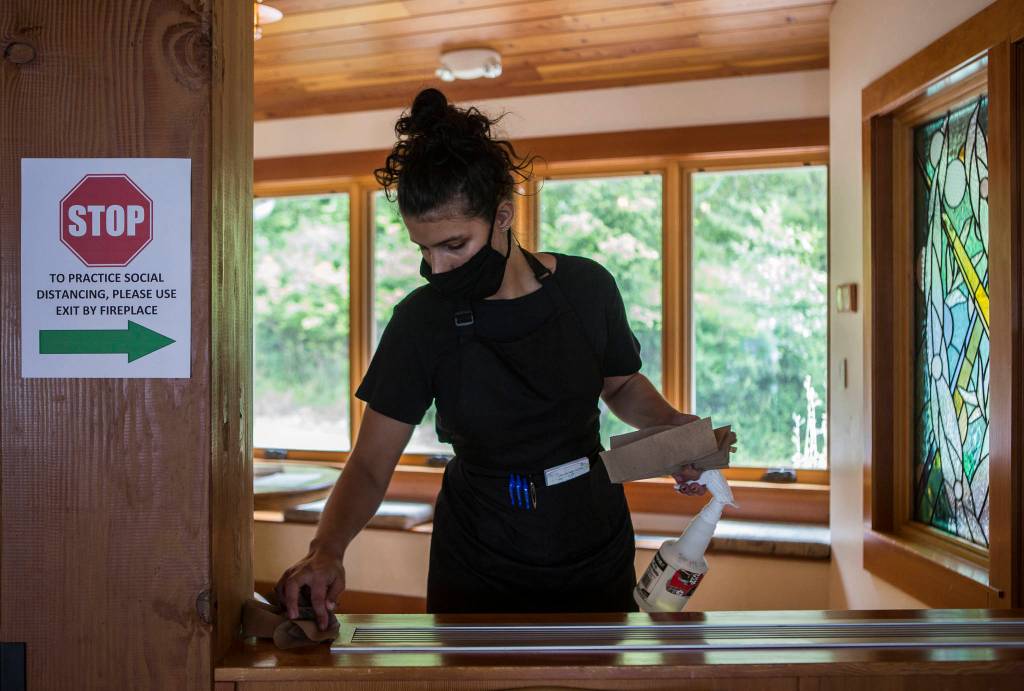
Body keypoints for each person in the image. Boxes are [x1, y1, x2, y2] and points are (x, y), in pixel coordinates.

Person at [276, 88, 736, 628]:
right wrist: (326, 548)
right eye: (423, 250)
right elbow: (372, 462)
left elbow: (621, 386)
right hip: (479, 554)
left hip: (592, 538)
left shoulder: (587, 288)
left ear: (502, 215)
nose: (438, 268)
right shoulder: (421, 321)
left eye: (454, 245)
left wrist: (673, 429)